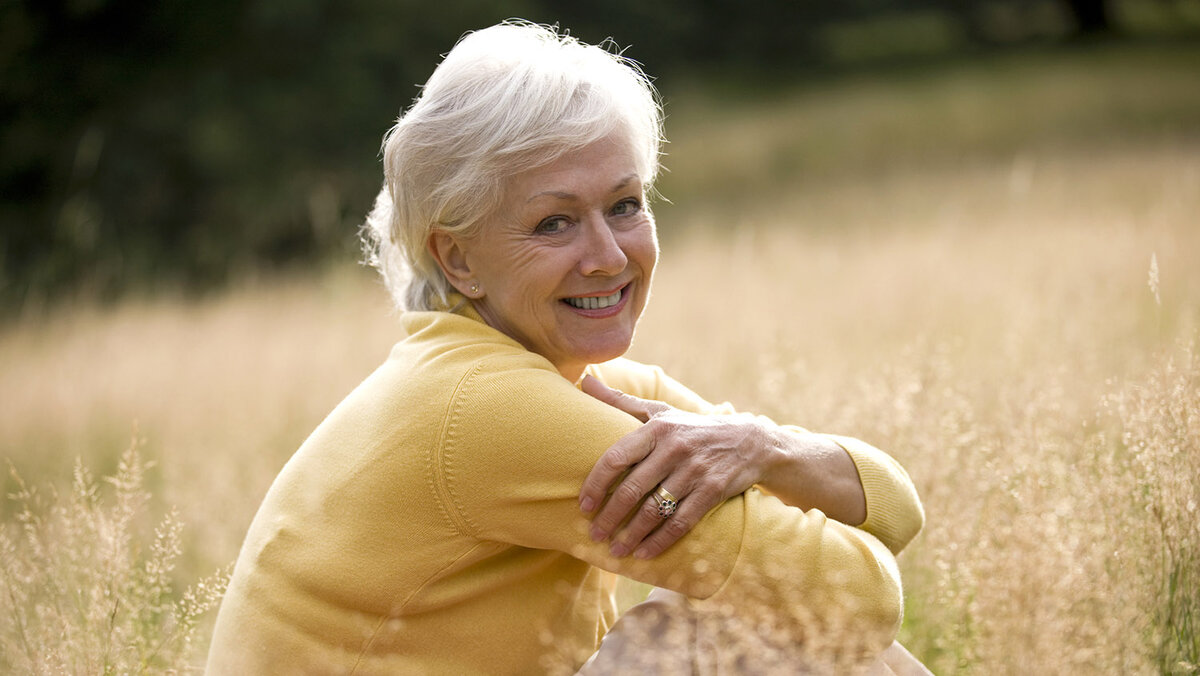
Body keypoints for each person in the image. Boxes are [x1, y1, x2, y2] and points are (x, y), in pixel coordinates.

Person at [205, 21, 926, 675]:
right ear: (457, 260)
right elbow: (855, 598)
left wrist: (766, 447)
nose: (608, 256)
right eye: (555, 223)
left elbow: (897, 514)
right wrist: (776, 469)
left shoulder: (573, 382)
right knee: (685, 644)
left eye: (625, 205)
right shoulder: (490, 409)